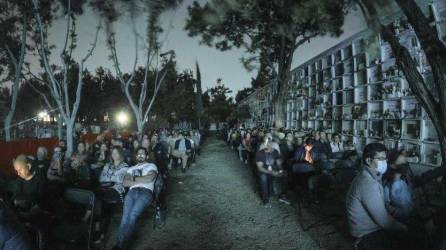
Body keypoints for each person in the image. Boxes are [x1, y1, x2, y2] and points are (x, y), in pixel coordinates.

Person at [346, 143, 410, 250]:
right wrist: (404, 228)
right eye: (380, 159)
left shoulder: (373, 176)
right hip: (366, 235)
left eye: (385, 159)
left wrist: (402, 213)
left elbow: (383, 205)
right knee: (411, 239)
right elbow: (384, 221)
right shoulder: (368, 183)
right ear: (368, 161)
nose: (384, 162)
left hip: (373, 228)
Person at [113, 147, 158, 250]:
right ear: (136, 156)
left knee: (133, 215)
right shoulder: (131, 168)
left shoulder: (151, 166)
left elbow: (150, 178)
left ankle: (120, 246)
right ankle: (119, 245)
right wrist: (142, 180)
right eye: (138, 154)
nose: (140, 155)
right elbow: (124, 183)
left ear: (146, 156)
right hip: (132, 192)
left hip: (146, 193)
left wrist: (133, 179)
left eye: (142, 153)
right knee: (125, 218)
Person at [255, 137, 288, 207]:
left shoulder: (275, 151)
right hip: (264, 171)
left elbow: (279, 163)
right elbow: (260, 168)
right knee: (263, 178)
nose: (267, 145)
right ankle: (265, 200)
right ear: (263, 144)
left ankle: (282, 195)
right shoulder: (260, 153)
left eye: (269, 143)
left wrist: (280, 170)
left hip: (274, 170)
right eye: (265, 143)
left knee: (285, 174)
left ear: (271, 144)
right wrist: (271, 172)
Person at [383, 149, 415, 220]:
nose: (405, 166)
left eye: (405, 163)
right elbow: (386, 207)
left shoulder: (405, 181)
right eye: (402, 164)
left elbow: (411, 199)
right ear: (392, 165)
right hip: (398, 220)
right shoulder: (387, 186)